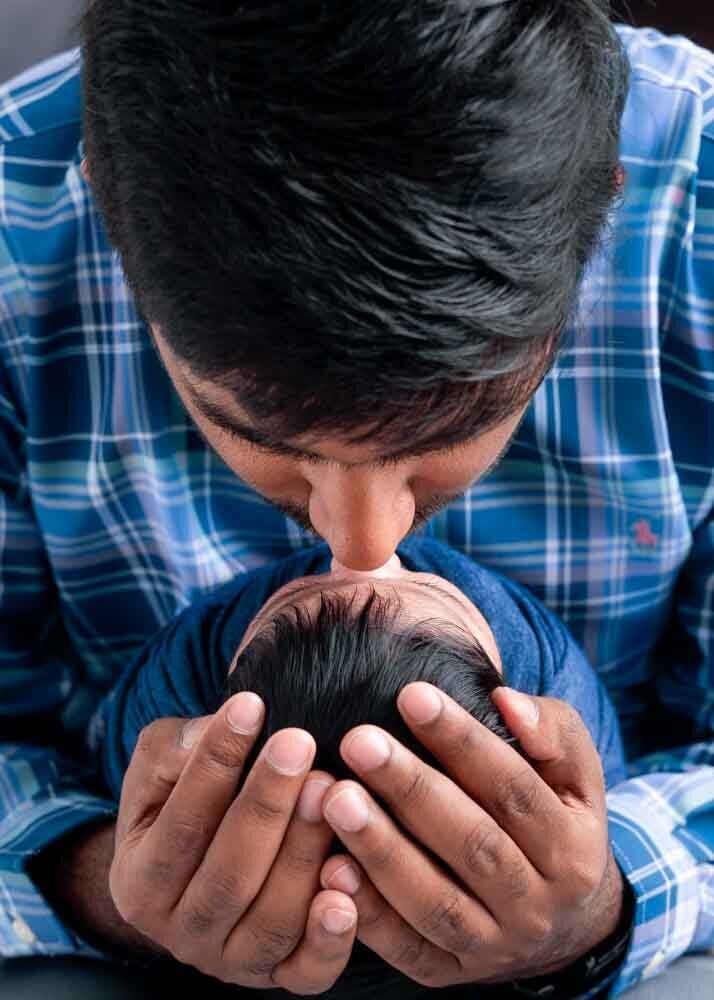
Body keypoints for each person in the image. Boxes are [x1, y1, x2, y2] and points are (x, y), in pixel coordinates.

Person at [0, 2, 712, 998]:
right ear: (106, 220)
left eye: (449, 429)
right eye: (258, 432)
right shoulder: (10, 220)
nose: (364, 546)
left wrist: (605, 904)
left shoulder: (703, 206)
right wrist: (100, 879)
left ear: (605, 211)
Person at [98, 536, 628, 996]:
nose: (359, 556)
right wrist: (589, 912)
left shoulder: (175, 684)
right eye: (431, 587)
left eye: (300, 590)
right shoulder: (541, 672)